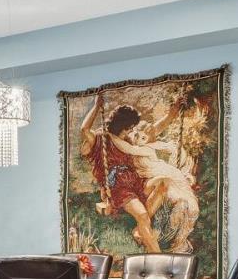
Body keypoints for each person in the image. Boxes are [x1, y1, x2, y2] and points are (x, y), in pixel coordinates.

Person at [79, 94, 202, 254]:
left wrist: (175, 109)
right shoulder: (101, 139)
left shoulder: (129, 140)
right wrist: (96, 106)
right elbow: (84, 129)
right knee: (142, 216)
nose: (132, 131)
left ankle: (139, 229)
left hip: (136, 182)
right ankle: (157, 257)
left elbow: (157, 127)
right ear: (121, 125)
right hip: (119, 189)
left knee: (164, 182)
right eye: (129, 128)